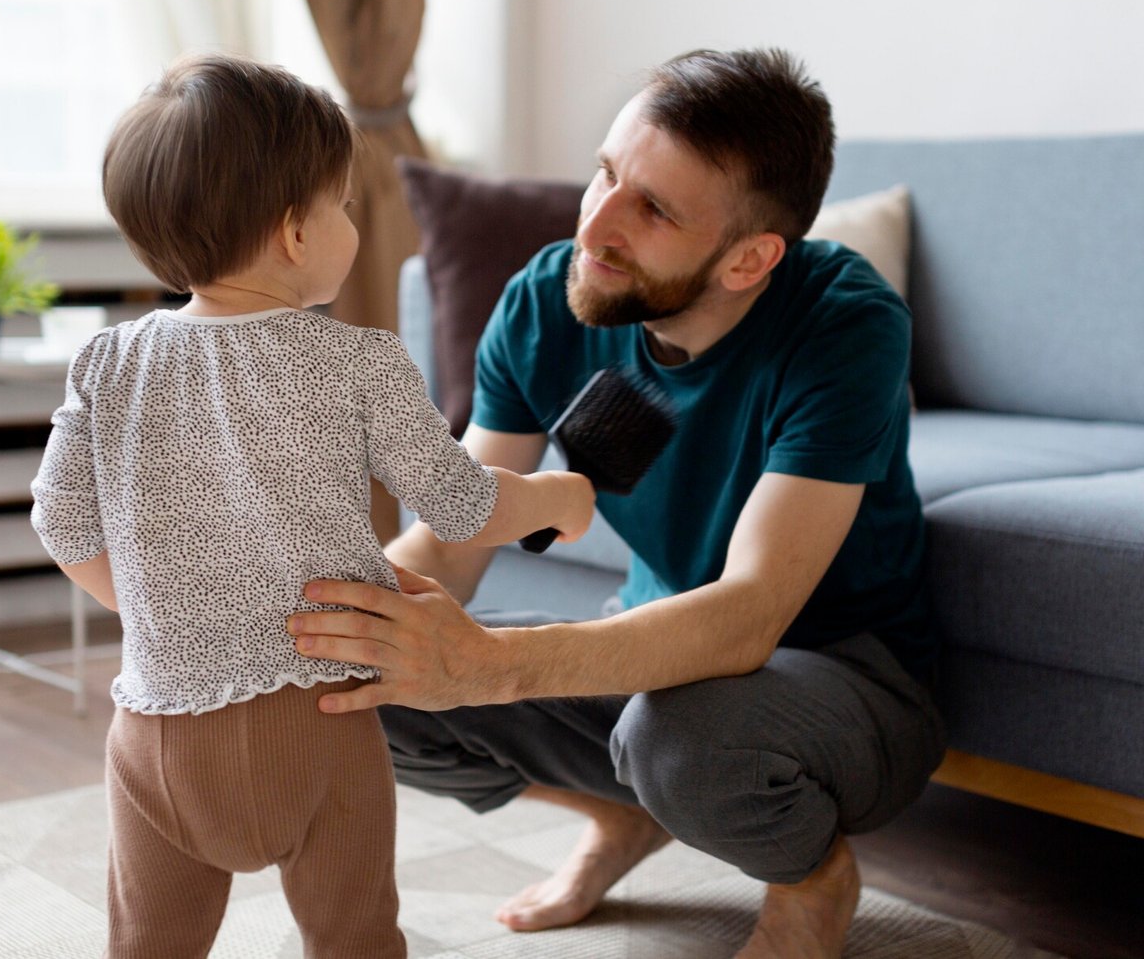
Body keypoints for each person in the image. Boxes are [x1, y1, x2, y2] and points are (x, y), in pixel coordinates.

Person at [287, 47, 948, 959]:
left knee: (679, 740)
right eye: (605, 174)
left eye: (654, 209)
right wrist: (314, 624)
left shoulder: (845, 324)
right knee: (358, 673)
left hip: (841, 681)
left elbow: (750, 617)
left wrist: (490, 665)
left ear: (750, 258)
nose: (596, 225)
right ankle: (623, 815)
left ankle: (813, 878)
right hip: (655, 669)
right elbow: (451, 541)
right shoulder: (547, 299)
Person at [28, 52, 594, 959]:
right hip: (318, 721)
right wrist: (553, 496)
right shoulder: (357, 362)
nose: (352, 222)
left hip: (156, 735)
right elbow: (457, 502)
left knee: (147, 944)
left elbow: (61, 521)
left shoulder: (108, 361)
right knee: (353, 934)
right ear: (296, 233)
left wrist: (158, 607)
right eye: (343, 204)